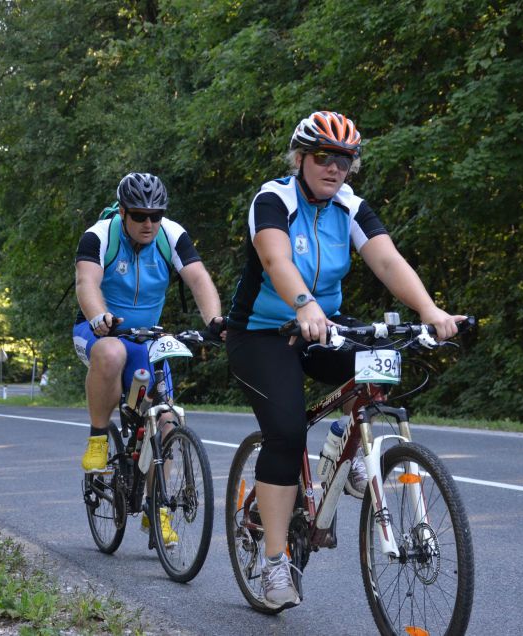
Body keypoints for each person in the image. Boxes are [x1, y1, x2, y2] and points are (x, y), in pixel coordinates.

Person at [225, 111, 465, 610]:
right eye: (323, 157)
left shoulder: (350, 206)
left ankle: (348, 441)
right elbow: (276, 260)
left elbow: (386, 260)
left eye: (345, 159)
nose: (335, 168)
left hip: (322, 327)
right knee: (287, 435)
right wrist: (304, 304)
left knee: (381, 362)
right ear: (300, 159)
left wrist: (430, 312)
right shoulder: (274, 200)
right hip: (262, 334)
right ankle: (273, 563)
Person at [73, 172, 223, 542]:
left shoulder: (171, 234)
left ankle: (157, 511)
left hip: (147, 339)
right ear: (123, 212)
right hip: (99, 332)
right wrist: (98, 317)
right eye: (139, 215)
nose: (148, 223)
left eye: (155, 216)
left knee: (166, 421)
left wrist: (215, 321)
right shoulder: (100, 235)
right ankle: (97, 439)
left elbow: (199, 278)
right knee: (110, 352)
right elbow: (86, 282)